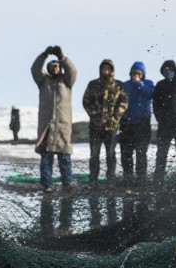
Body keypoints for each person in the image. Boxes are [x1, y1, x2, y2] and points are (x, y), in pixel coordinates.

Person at [31, 45, 77, 192]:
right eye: (52, 67)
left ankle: (67, 184)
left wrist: (62, 58)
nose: (55, 68)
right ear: (49, 69)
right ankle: (47, 185)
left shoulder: (66, 81)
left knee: (65, 159)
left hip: (62, 126)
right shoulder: (43, 81)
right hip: (47, 127)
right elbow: (34, 69)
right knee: (46, 159)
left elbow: (72, 71)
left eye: (58, 66)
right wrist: (44, 55)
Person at [83, 59, 128, 187]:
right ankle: (93, 180)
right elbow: (86, 102)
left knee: (111, 154)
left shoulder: (118, 86)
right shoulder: (93, 85)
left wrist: (115, 118)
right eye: (104, 69)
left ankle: (111, 181)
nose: (106, 71)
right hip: (95, 127)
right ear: (101, 70)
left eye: (108, 69)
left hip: (112, 127)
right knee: (94, 154)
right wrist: (94, 115)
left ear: (112, 70)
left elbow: (124, 102)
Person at [119, 61, 155, 181]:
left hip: (142, 125)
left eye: (139, 74)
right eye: (134, 73)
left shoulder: (148, 84)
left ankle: (141, 178)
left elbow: (150, 94)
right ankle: (128, 178)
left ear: (143, 75)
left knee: (141, 154)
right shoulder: (125, 85)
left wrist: (139, 84)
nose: (136, 75)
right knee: (126, 153)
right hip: (126, 125)